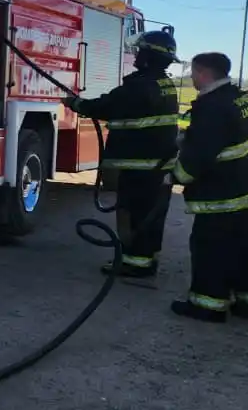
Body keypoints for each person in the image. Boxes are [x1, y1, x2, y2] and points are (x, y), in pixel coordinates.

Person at [61, 29, 180, 278]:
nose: (136, 55)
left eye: (140, 51)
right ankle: (147, 260)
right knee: (150, 217)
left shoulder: (139, 86)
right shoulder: (165, 84)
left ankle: (134, 263)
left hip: (139, 167)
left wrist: (74, 103)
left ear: (148, 56)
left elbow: (106, 106)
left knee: (133, 214)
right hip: (158, 166)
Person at [169, 52, 248, 322]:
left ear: (203, 73)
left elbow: (200, 155)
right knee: (247, 245)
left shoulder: (212, 106)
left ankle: (207, 306)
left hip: (226, 194)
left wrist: (175, 176)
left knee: (210, 247)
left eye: (193, 73)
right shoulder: (241, 97)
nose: (191, 78)